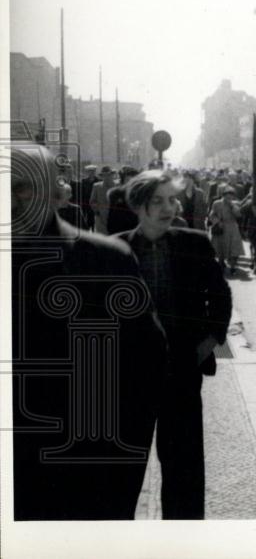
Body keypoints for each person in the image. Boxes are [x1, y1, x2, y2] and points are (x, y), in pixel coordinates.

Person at [10, 145, 166, 520]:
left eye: (21, 187)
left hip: (86, 473)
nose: (11, 199)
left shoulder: (104, 258)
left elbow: (147, 370)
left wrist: (118, 477)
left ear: (55, 193)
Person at [117, 169, 232, 519]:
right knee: (122, 471)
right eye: (158, 201)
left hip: (182, 369)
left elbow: (221, 296)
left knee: (184, 469)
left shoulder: (194, 242)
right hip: (130, 377)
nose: (169, 208)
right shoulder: (116, 248)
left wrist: (208, 342)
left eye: (173, 200)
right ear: (138, 205)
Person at [208, 185, 245, 274]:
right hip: (221, 227)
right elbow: (211, 215)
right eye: (227, 194)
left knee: (234, 248)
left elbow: (239, 215)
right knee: (220, 247)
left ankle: (233, 267)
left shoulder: (235, 203)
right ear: (223, 194)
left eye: (231, 194)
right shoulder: (216, 203)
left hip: (232, 227)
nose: (229, 196)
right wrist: (217, 222)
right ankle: (221, 263)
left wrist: (232, 205)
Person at [106, 165, 141, 234]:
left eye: (134, 181)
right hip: (119, 233)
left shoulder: (140, 196)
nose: (131, 183)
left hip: (135, 234)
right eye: (128, 180)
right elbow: (111, 220)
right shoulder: (116, 196)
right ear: (122, 181)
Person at [89, 164, 116, 234]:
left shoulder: (118, 186)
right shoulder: (96, 186)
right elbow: (92, 201)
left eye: (109, 175)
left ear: (112, 175)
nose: (107, 177)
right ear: (102, 176)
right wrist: (98, 211)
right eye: (104, 175)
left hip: (116, 217)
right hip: (101, 219)